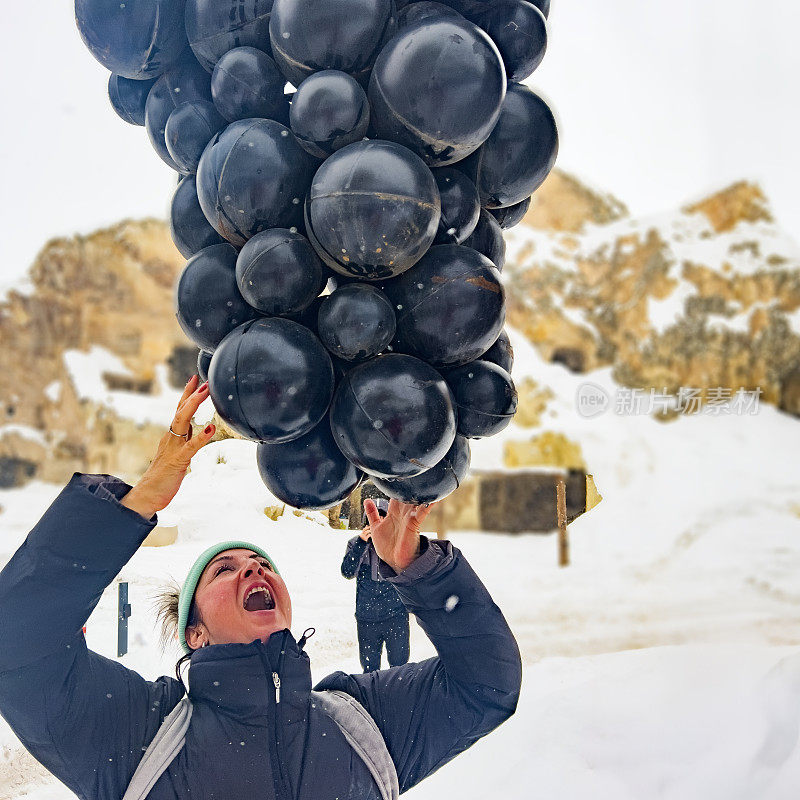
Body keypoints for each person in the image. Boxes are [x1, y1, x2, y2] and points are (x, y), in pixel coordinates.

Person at [0, 375, 522, 800]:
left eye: (260, 563)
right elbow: (17, 642)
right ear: (195, 634)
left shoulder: (361, 725)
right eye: (224, 570)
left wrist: (421, 569)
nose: (253, 571)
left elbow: (487, 684)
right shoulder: (140, 738)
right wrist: (137, 503)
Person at [341, 499, 411, 672]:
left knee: (400, 668)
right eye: (372, 520)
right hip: (367, 619)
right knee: (370, 670)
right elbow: (347, 571)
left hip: (396, 617)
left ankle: (399, 698)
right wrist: (361, 543)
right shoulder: (356, 543)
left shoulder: (398, 543)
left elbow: (410, 575)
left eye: (382, 519)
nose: (377, 524)